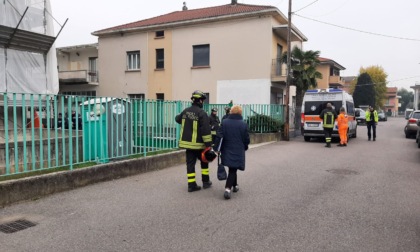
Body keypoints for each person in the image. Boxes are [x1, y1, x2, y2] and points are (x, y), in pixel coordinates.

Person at [175, 90, 213, 192]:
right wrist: (209, 145)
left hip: (188, 145)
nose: (203, 102)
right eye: (203, 100)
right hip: (199, 145)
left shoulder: (185, 111)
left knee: (190, 164)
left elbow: (177, 119)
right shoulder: (202, 113)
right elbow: (205, 130)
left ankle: (191, 185)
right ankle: (206, 182)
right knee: (204, 163)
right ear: (200, 101)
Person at [214, 105, 250, 200]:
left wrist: (216, 149)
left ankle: (235, 185)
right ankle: (227, 189)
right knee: (233, 168)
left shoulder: (225, 122)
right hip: (238, 149)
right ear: (240, 113)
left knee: (232, 168)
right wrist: (245, 146)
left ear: (231, 112)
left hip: (226, 149)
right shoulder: (243, 124)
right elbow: (246, 139)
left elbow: (219, 136)